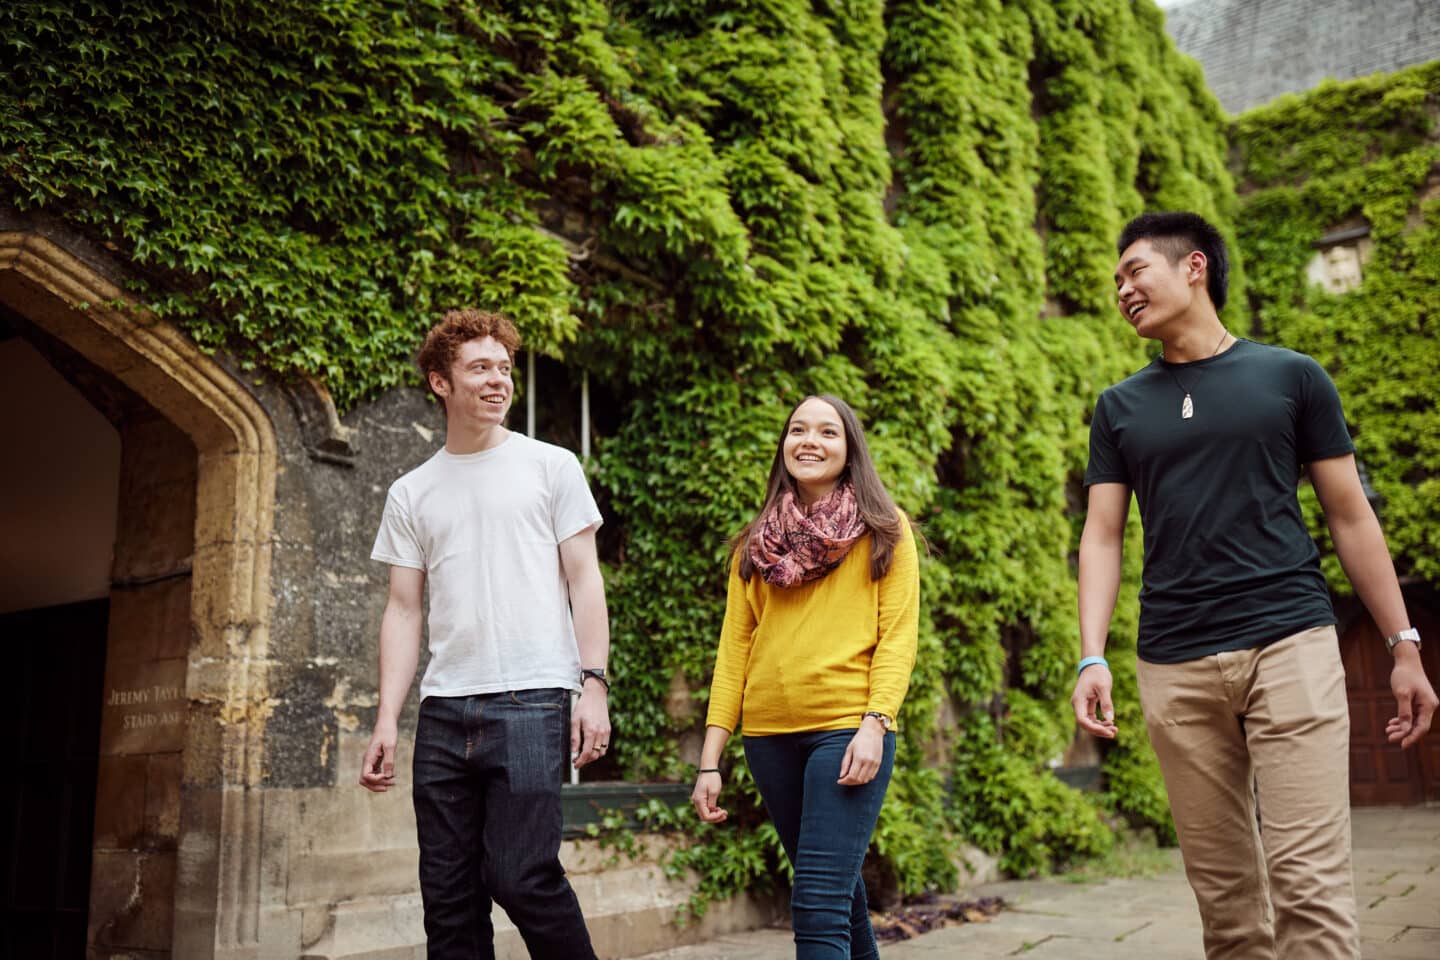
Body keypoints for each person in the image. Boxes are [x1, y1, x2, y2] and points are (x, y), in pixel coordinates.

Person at [1073, 211, 1438, 959]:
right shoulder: (1118, 407)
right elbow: (1103, 535)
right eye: (1116, 281)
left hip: (1289, 644)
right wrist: (1091, 655)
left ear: (1195, 267)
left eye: (1135, 271)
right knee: (1229, 909)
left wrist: (1403, 644)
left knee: (1312, 890)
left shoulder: (1291, 377)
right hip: (1173, 662)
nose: (1122, 290)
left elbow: (1351, 517)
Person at [359, 308, 611, 960]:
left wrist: (594, 686)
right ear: (442, 382)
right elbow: (404, 609)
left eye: (504, 368)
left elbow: (585, 582)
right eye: (480, 368)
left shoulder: (550, 467)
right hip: (444, 711)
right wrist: (388, 717)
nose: (498, 381)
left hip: (532, 700)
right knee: (448, 899)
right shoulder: (411, 493)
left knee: (521, 875)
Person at [691, 394, 920, 960]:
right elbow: (733, 652)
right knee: (837, 898)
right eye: (798, 430)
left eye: (827, 432)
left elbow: (898, 637)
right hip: (768, 739)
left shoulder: (885, 531)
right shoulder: (754, 545)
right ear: (784, 445)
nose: (809, 441)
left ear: (850, 450)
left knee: (816, 903)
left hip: (846, 731)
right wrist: (709, 758)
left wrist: (876, 722)